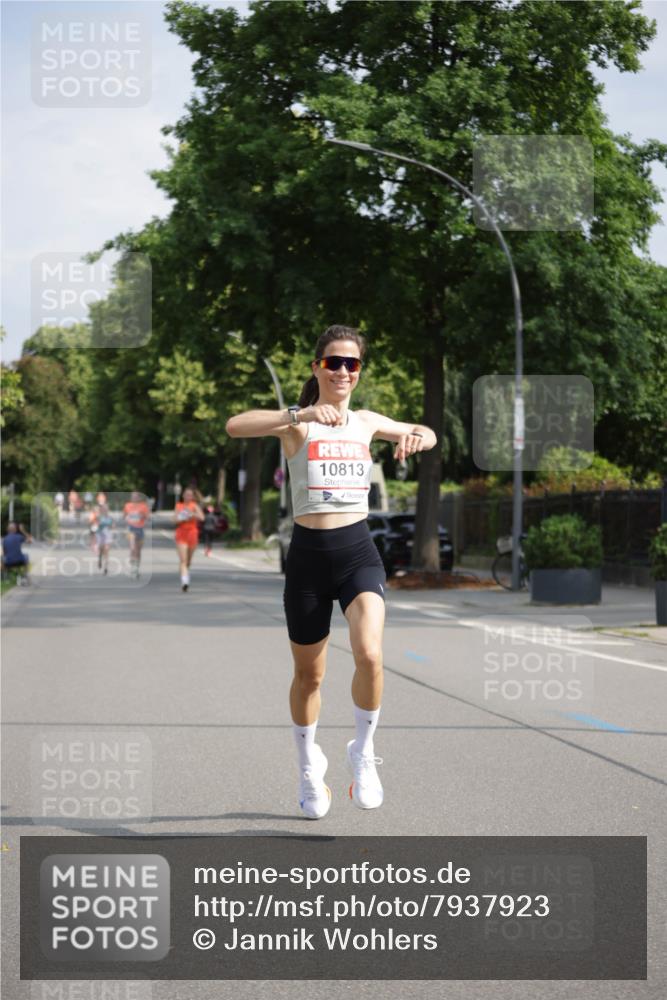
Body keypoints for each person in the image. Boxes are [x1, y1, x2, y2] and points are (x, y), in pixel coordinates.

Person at [226, 325, 437, 820]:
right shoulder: (298, 426)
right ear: (318, 367)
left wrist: (414, 437)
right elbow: (236, 425)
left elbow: (427, 431)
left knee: (370, 654)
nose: (343, 371)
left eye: (353, 364)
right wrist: (296, 413)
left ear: (359, 372)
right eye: (334, 362)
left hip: (357, 553)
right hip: (308, 560)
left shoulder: (364, 422)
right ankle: (307, 765)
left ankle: (362, 752)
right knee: (310, 675)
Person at [173, 487, 204, 591]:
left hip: (192, 534)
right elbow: (174, 520)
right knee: (183, 560)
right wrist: (181, 518)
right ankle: (185, 582)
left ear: (193, 497)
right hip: (181, 533)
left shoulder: (194, 506)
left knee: (188, 562)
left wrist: (192, 514)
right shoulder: (179, 505)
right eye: (186, 494)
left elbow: (202, 517)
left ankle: (185, 573)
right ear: (183, 495)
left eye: (190, 495)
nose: (188, 497)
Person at [123, 492, 151, 577]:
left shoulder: (143, 506)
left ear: (139, 498)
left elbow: (148, 518)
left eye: (136, 497)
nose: (134, 498)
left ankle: (137, 567)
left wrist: (142, 516)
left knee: (138, 550)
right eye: (132, 497)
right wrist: (127, 518)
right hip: (131, 529)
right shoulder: (127, 505)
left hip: (140, 529)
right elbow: (124, 516)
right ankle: (133, 567)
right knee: (132, 548)